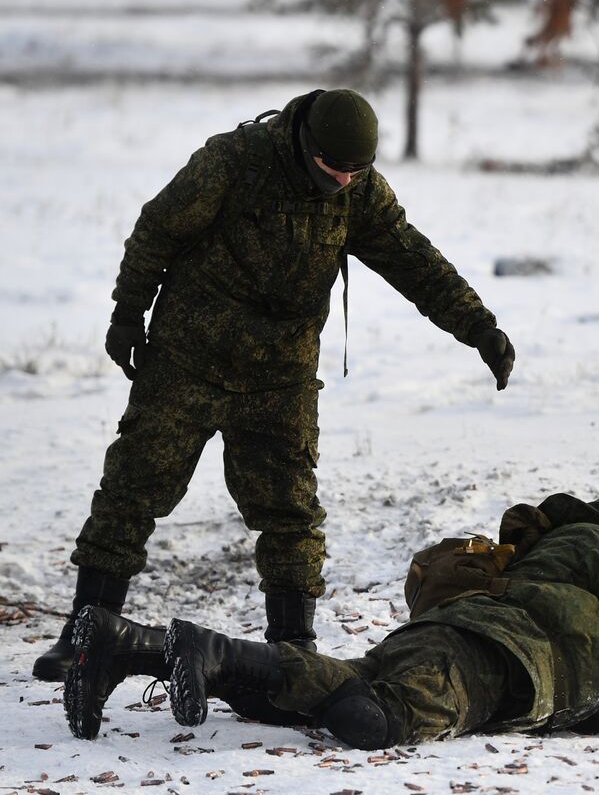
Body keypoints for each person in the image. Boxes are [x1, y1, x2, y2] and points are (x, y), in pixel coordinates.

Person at [34, 89, 516, 696]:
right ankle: (84, 633)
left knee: (290, 512)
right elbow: (157, 230)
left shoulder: (358, 191)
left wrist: (479, 327)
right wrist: (128, 313)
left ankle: (292, 657)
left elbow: (412, 260)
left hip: (280, 377)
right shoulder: (233, 162)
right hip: (189, 357)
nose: (342, 182)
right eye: (332, 169)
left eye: (354, 172)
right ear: (305, 144)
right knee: (132, 491)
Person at [63, 493, 599, 747]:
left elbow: (565, 690)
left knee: (315, 691)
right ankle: (207, 652)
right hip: (481, 658)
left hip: (447, 646)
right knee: (375, 721)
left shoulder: (552, 567)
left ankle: (136, 646)